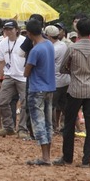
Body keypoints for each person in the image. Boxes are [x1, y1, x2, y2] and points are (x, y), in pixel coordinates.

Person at [53, 17, 90, 168]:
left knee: (69, 124)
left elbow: (62, 68)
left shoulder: (73, 48)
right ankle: (86, 160)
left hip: (74, 90)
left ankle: (67, 158)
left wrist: (72, 71)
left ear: (77, 31)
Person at [23, 19, 56, 165]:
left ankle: (45, 157)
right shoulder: (49, 44)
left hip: (37, 89)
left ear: (29, 34)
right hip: (49, 87)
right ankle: (47, 154)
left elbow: (26, 72)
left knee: (38, 122)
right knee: (48, 122)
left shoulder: (35, 50)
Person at [0, 20, 27, 137]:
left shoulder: (24, 41)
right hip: (9, 76)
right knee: (2, 101)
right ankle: (8, 127)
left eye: (10, 29)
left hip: (23, 77)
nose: (8, 31)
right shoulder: (3, 43)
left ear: (17, 30)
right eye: (6, 29)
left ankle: (22, 129)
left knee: (25, 103)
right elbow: (1, 62)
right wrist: (0, 79)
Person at [46, 25, 70, 133]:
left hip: (55, 81)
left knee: (50, 106)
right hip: (65, 80)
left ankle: (52, 127)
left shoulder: (52, 49)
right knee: (64, 106)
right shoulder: (63, 45)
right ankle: (66, 126)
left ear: (49, 36)